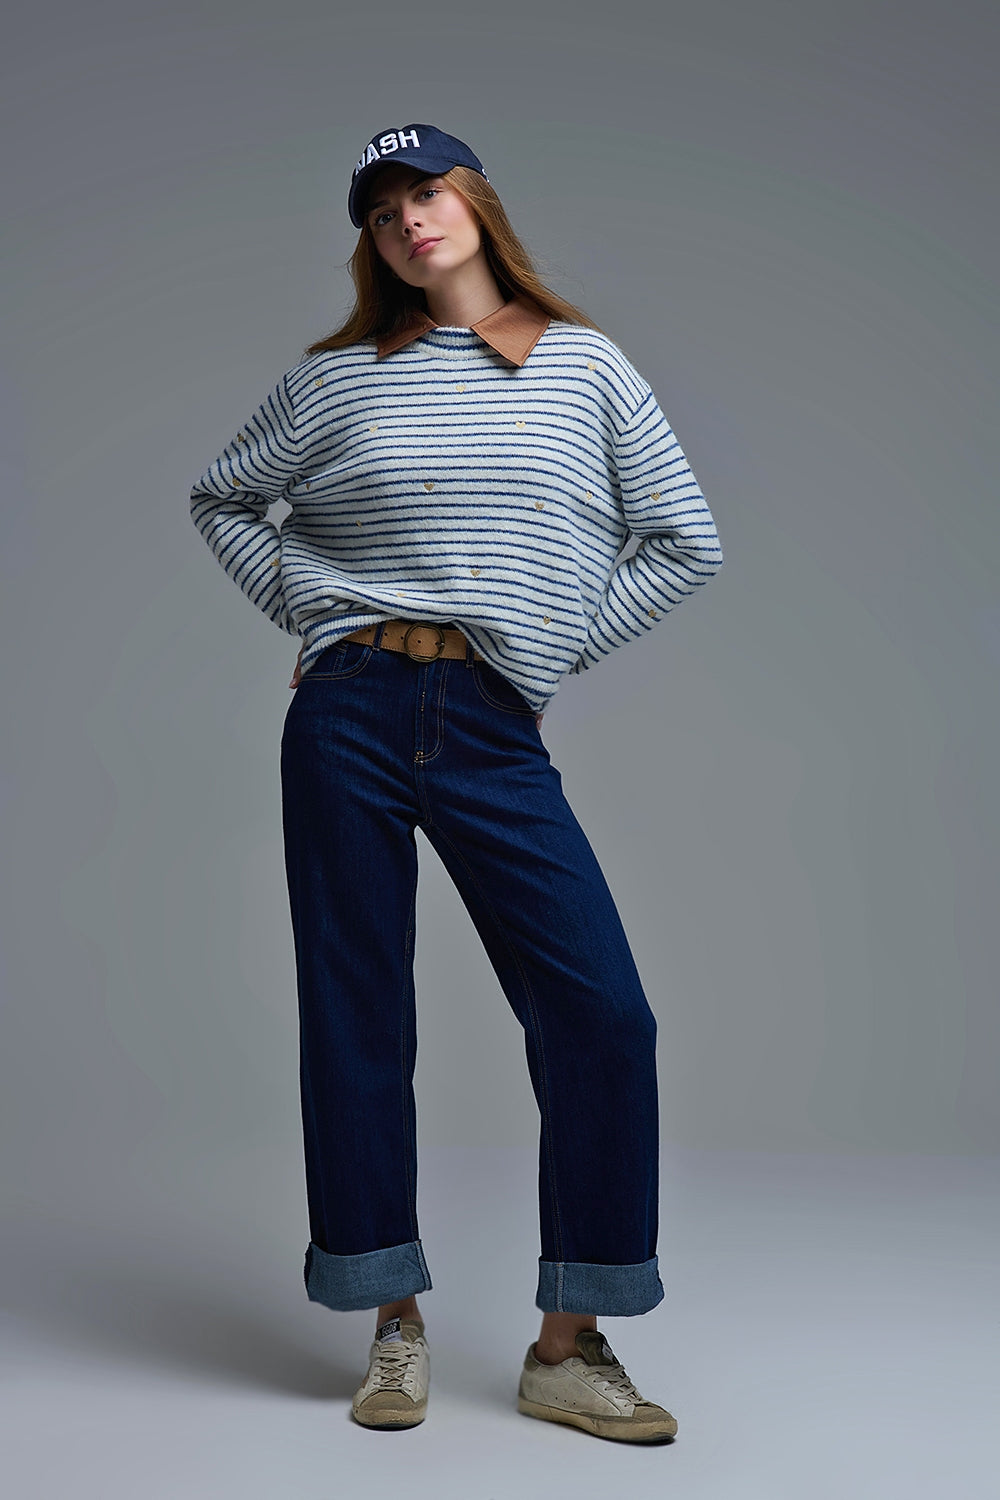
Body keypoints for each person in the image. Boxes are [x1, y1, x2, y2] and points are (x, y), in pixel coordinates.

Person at [189, 122, 723, 1443]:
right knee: (358, 1015)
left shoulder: (585, 366)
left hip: (488, 718)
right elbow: (224, 499)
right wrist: (313, 612)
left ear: (477, 202)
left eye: (427, 193)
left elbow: (683, 539)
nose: (410, 223)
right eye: (383, 215)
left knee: (604, 1016)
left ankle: (568, 1345)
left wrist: (546, 647)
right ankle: (393, 1322)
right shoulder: (335, 381)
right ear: (370, 246)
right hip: (349, 709)